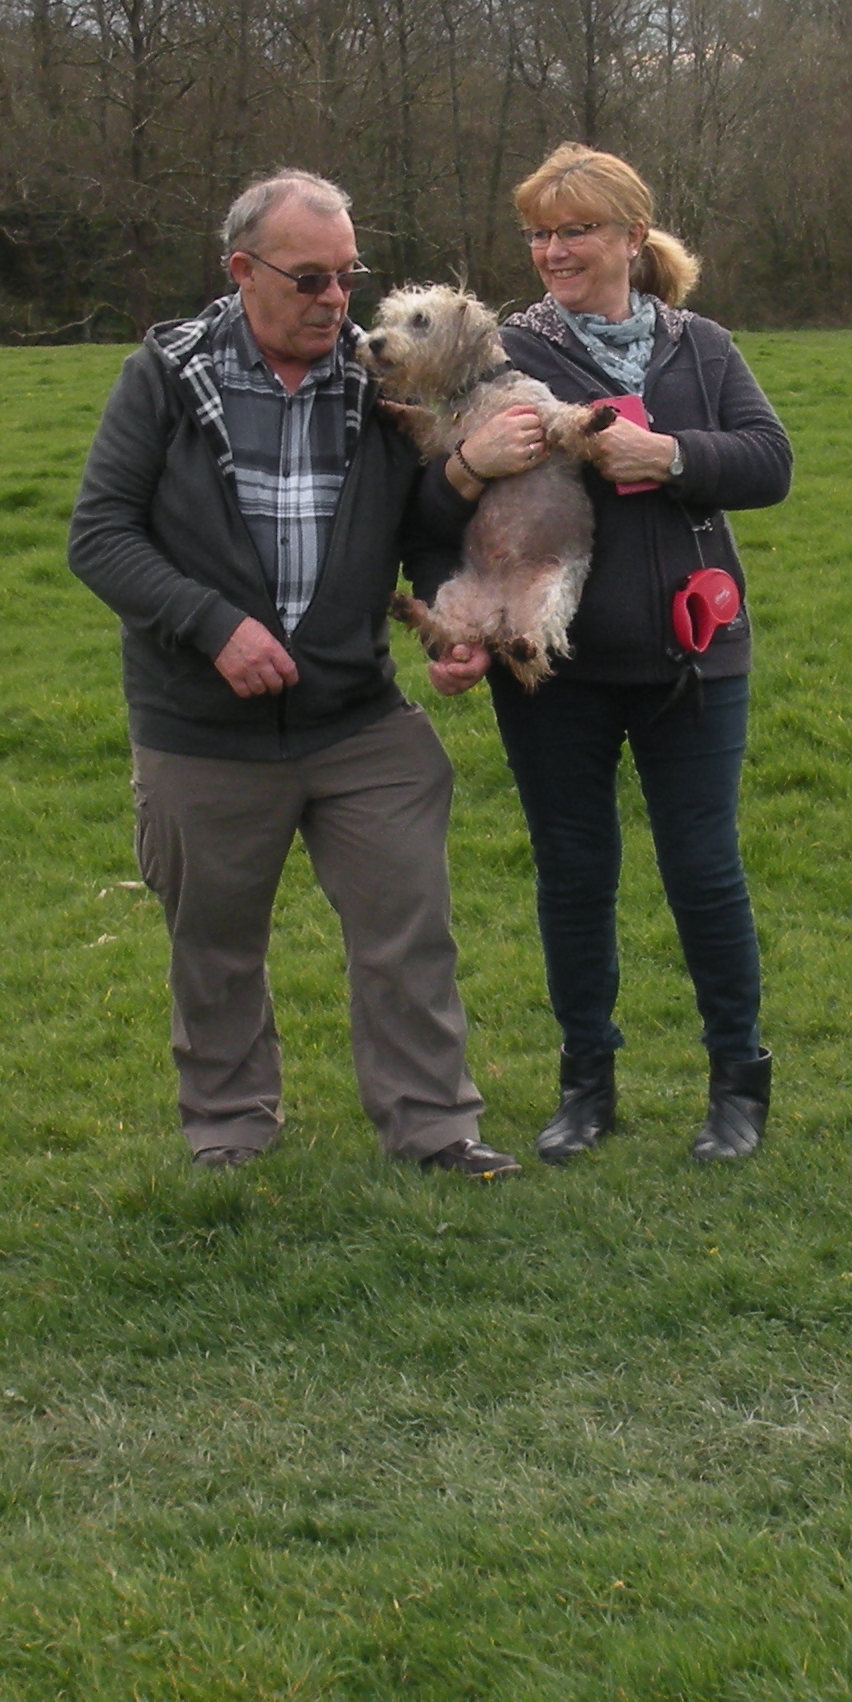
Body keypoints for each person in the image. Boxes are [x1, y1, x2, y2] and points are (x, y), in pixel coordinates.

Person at [65, 170, 518, 1178]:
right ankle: (229, 1129)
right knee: (215, 946)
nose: (334, 301)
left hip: (357, 722)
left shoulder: (377, 388)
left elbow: (420, 534)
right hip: (203, 729)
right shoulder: (167, 376)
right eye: (309, 278)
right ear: (242, 270)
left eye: (346, 277)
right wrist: (212, 626)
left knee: (409, 931)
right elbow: (98, 536)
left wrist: (457, 623)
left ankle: (434, 1127)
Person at [428, 143, 795, 1162]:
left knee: (704, 870)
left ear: (633, 237)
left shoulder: (702, 347)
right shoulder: (506, 353)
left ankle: (738, 1085)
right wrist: (469, 464)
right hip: (555, 667)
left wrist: (674, 456)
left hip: (693, 654)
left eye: (575, 229)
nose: (552, 250)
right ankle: (587, 1084)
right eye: (539, 232)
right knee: (574, 872)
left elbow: (771, 463)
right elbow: (431, 487)